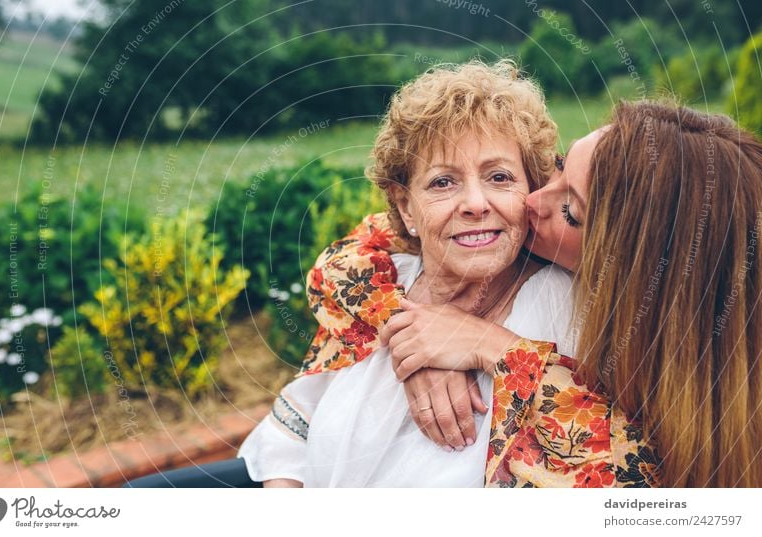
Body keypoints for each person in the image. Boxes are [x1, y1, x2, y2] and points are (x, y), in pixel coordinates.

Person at [306, 101, 762, 487]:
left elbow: (627, 474)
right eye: (559, 169)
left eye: (570, 210)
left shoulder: (625, 344)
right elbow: (350, 257)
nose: (532, 201)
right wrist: (409, 333)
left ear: (634, 272)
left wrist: (494, 348)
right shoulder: (442, 262)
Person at [237, 59, 582, 487]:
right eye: (442, 182)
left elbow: (602, 452)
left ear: (529, 192)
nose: (475, 203)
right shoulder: (378, 287)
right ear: (405, 207)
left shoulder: (561, 306)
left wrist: (489, 348)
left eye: (499, 176)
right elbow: (290, 430)